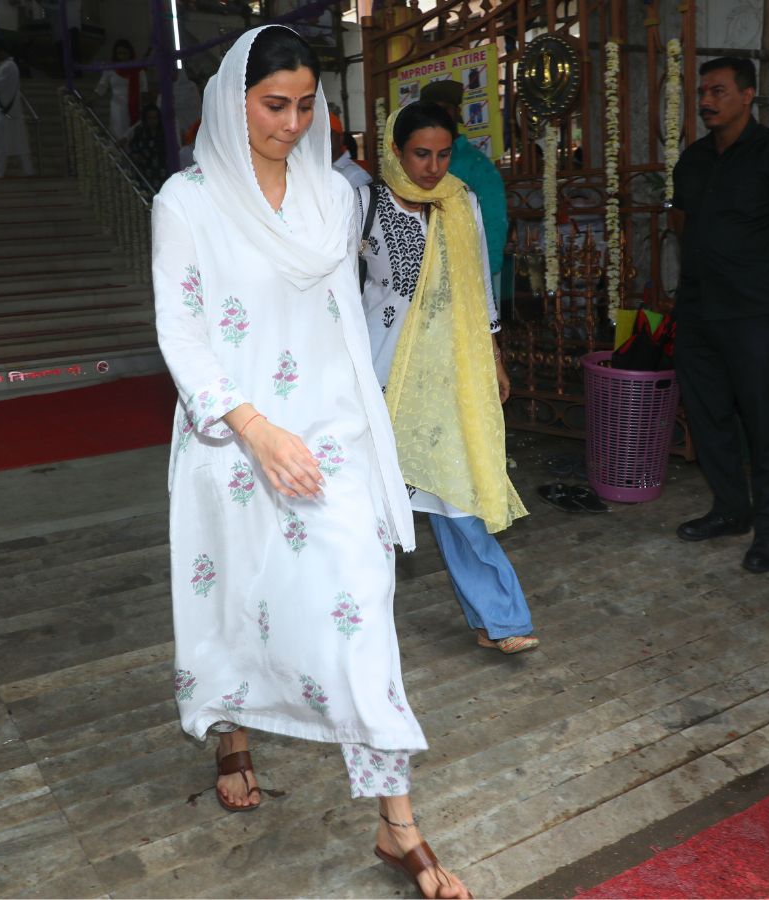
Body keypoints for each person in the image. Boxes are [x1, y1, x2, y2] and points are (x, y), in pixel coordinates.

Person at [151, 25, 471, 899]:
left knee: (361, 604)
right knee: (233, 596)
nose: (291, 125)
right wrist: (255, 430)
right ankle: (233, 732)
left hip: (329, 435)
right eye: (272, 106)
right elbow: (181, 331)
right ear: (232, 101)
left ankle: (396, 821)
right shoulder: (186, 202)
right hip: (232, 436)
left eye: (304, 106)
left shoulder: (333, 194)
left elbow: (346, 317)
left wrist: (368, 430)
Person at [357, 100, 537, 655]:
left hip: (445, 375)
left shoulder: (461, 203)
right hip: (378, 373)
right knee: (362, 500)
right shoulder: (361, 204)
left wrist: (494, 356)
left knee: (456, 495)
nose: (432, 168)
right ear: (395, 150)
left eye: (442, 155)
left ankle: (500, 620)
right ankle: (349, 625)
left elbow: (479, 286)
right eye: (420, 154)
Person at [668, 56, 769, 574]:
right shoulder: (693, 160)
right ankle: (730, 510)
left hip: (754, 313)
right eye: (702, 92)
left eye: (717, 91)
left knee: (764, 424)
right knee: (707, 416)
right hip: (699, 310)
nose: (706, 101)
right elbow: (681, 224)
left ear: (747, 95)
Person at [419, 79, 509, 312]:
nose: (438, 116)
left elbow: (493, 228)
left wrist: (478, 284)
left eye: (444, 109)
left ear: (456, 113)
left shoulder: (477, 166)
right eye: (432, 110)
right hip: (420, 285)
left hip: (466, 285)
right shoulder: (412, 163)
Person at [0, 40, 34, 178]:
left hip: (6, 112)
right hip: (11, 111)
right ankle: (28, 171)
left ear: (2, 51)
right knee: (20, 144)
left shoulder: (7, 66)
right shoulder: (9, 66)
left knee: (3, 144)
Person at [95, 39, 147, 141]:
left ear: (130, 53)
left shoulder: (138, 70)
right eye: (119, 53)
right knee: (117, 132)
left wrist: (142, 107)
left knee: (132, 134)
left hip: (135, 106)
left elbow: (144, 89)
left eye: (125, 53)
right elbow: (101, 87)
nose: (122, 56)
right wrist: (90, 99)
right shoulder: (110, 69)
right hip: (117, 106)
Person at [128, 103, 166, 190]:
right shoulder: (139, 131)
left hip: (160, 172)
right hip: (143, 171)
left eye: (155, 118)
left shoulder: (163, 132)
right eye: (150, 118)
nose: (152, 121)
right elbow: (133, 147)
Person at [329, 112, 371, 190]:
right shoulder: (315, 170)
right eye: (319, 135)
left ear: (341, 138)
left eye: (328, 133)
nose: (323, 139)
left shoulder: (356, 176)